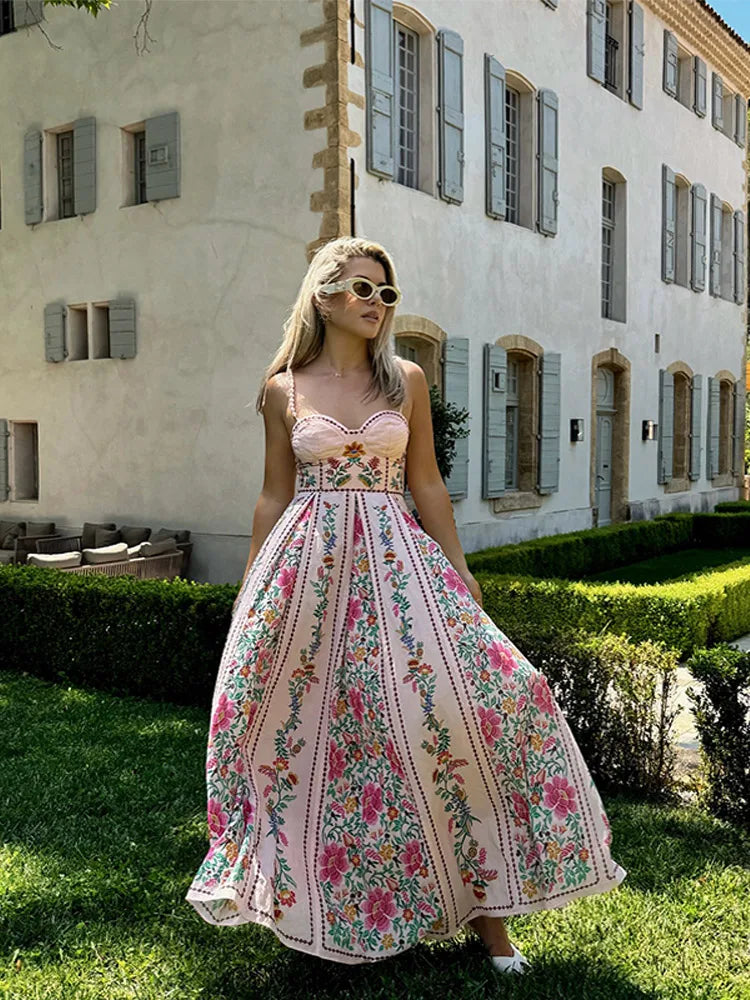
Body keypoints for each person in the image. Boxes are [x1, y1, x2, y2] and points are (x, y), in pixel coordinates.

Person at [185, 236, 627, 974]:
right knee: (322, 738)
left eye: (386, 293)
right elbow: (273, 493)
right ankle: (322, 908)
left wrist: (461, 570)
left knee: (458, 719)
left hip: (399, 567)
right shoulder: (282, 389)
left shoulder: (407, 381)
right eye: (363, 289)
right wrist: (251, 584)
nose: (377, 304)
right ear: (324, 295)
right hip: (308, 575)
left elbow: (426, 484)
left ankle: (492, 923)